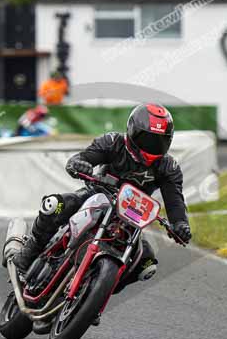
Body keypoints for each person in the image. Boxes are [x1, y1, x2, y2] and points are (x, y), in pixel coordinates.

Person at [14, 103, 192, 286]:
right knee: (54, 205)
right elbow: (83, 157)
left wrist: (180, 224)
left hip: (131, 216)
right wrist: (79, 163)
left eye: (159, 141)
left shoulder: (168, 167)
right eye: (147, 139)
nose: (153, 146)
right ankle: (27, 255)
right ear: (132, 131)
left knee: (146, 265)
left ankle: (92, 296)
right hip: (96, 195)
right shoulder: (112, 142)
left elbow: (174, 201)